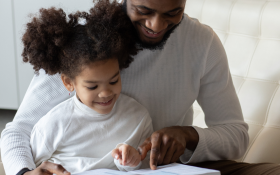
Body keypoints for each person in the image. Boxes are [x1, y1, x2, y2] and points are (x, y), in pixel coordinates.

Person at [1, 0, 280, 175]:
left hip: (169, 168)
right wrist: (24, 173)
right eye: (144, 11)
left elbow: (236, 137)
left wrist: (188, 136)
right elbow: (18, 130)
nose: (157, 25)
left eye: (173, 13)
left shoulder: (201, 42)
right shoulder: (84, 46)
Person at [18, 0, 153, 174]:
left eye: (113, 81)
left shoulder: (138, 117)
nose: (105, 93)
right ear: (68, 82)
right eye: (92, 87)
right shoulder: (54, 124)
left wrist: (132, 159)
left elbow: (147, 166)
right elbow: (37, 166)